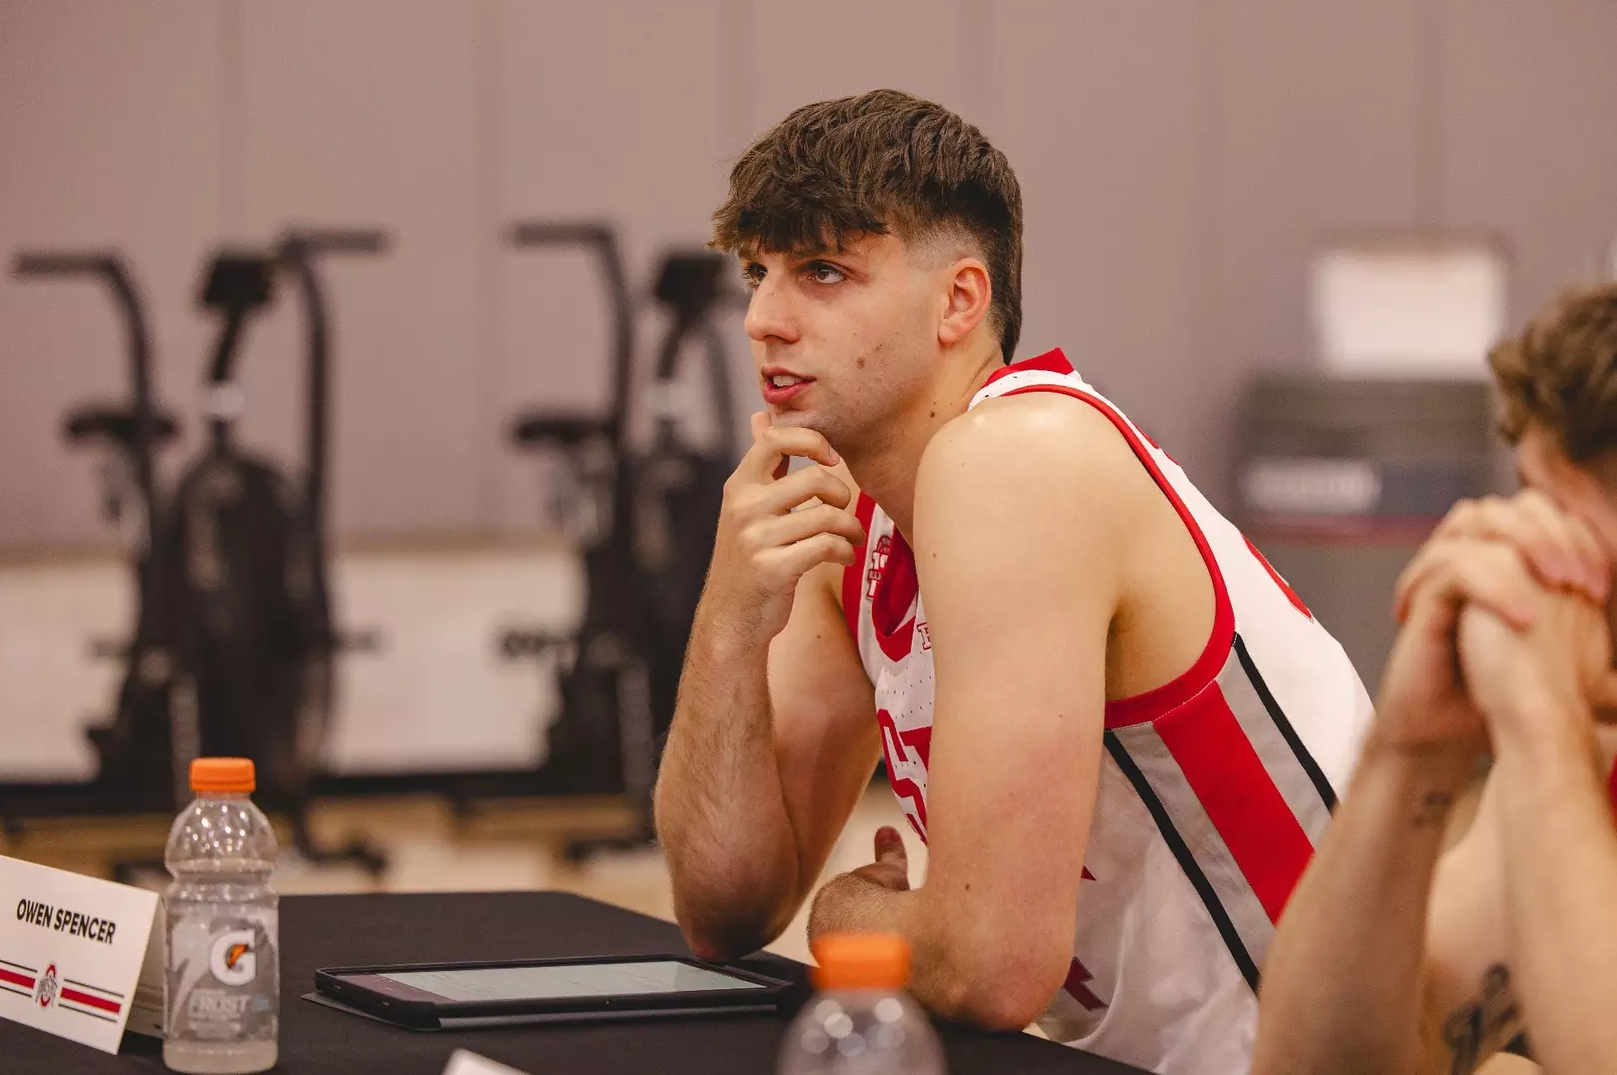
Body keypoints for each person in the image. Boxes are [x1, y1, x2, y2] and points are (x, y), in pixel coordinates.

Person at [652, 89, 1374, 1073]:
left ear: (959, 300)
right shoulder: (857, 529)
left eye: (824, 272)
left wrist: (846, 915)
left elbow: (988, 965)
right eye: (758, 274)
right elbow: (721, 907)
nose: (765, 320)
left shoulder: (1020, 456)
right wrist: (728, 616)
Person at [1252, 281, 1617, 1075]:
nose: (1530, 561)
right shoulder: (1596, 747)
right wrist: (1411, 750)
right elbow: (1316, 1065)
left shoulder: (1565, 743)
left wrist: (1539, 726)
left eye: (1574, 532)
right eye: (1532, 506)